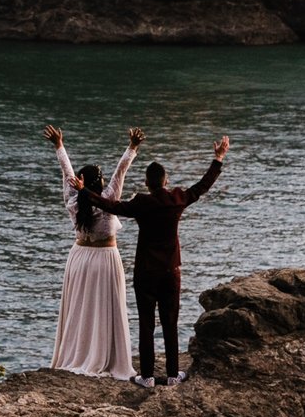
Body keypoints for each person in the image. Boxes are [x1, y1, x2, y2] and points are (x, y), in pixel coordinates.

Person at [106, 136, 231, 384]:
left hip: (145, 272)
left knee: (146, 324)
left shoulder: (141, 203)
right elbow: (201, 186)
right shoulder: (176, 200)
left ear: (146, 183)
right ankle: (174, 375)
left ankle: (148, 377)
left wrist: (82, 191)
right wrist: (218, 158)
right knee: (170, 322)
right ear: (166, 181)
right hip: (171, 271)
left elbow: (111, 206)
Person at [44, 123, 144, 379]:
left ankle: (77, 352)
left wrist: (59, 146)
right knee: (105, 307)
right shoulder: (109, 197)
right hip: (105, 257)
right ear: (98, 183)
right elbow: (121, 171)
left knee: (79, 308)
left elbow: (65, 171)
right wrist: (132, 147)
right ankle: (104, 355)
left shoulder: (74, 200)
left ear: (80, 182)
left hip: (79, 257)